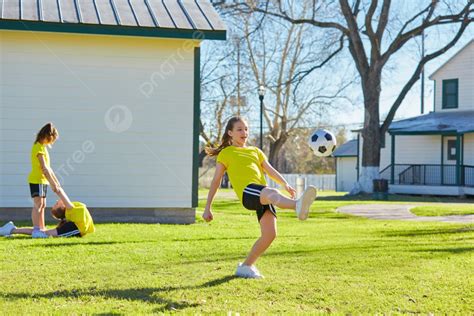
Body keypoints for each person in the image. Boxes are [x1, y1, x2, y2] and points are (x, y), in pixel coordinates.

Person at [203, 116, 317, 279]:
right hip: (248, 193)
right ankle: (297, 206)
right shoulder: (226, 153)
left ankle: (246, 266)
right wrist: (208, 208)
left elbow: (270, 170)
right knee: (272, 193)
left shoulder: (255, 151)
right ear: (230, 133)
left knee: (270, 234)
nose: (244, 132)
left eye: (246, 129)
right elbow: (216, 181)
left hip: (261, 192)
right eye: (240, 129)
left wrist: (285, 184)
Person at [0, 187, 95, 238]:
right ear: (61, 208)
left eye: (55, 204)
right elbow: (59, 190)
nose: (56, 202)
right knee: (42, 233)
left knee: (41, 232)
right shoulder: (70, 209)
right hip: (74, 228)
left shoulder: (71, 209)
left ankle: (12, 229)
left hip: (74, 227)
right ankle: (11, 230)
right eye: (56, 204)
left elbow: (59, 190)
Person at [28, 123, 62, 238]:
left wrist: (56, 182)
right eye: (53, 139)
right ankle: (36, 230)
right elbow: (44, 168)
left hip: (42, 181)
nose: (52, 142)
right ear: (48, 135)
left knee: (43, 204)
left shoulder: (43, 147)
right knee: (38, 204)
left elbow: (49, 168)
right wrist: (53, 184)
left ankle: (41, 228)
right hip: (36, 180)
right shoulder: (38, 147)